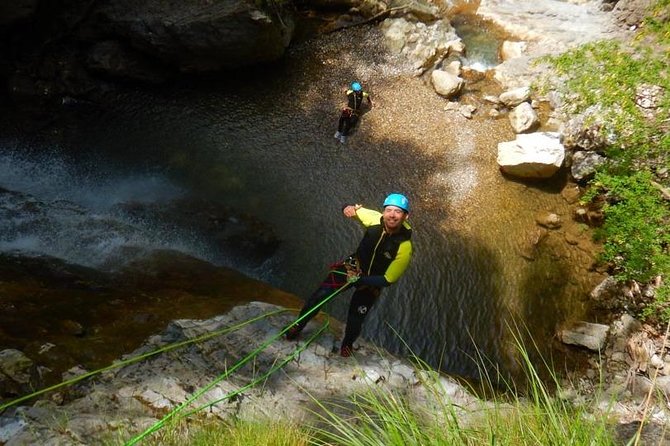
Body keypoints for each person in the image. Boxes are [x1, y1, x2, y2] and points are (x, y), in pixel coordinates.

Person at [285, 193, 413, 357]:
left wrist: (361, 279)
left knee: (355, 319)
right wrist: (348, 208)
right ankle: (298, 325)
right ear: (383, 212)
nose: (392, 215)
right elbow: (348, 206)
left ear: (405, 216)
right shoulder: (374, 219)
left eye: (398, 211)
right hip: (352, 267)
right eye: (389, 210)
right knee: (319, 296)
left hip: (372, 282)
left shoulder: (404, 246)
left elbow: (388, 279)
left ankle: (347, 344)